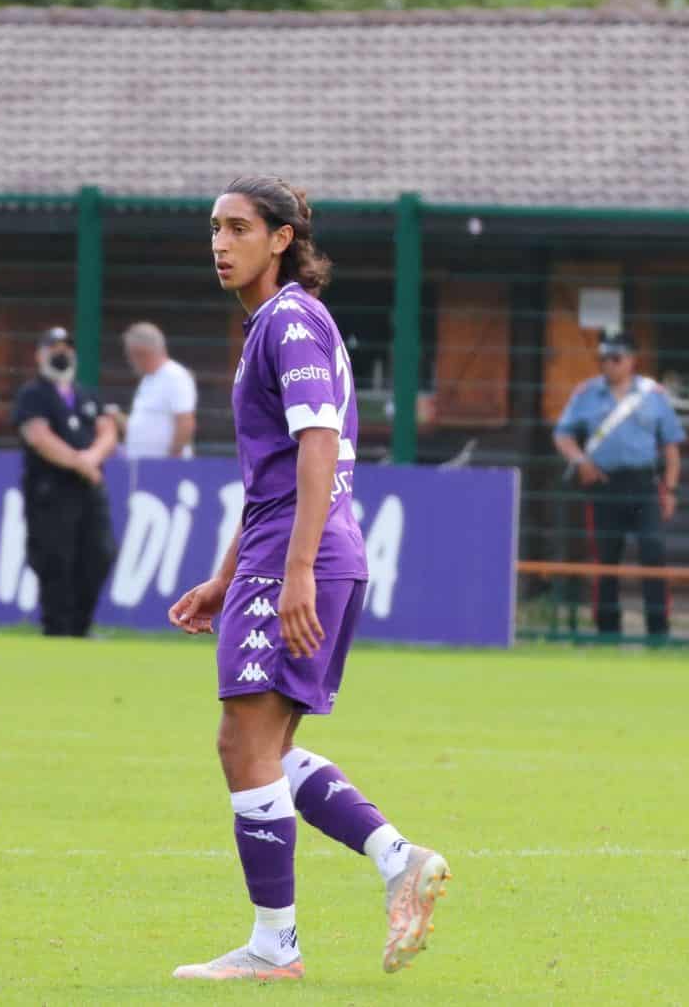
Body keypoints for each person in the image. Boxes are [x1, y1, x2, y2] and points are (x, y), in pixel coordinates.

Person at [167, 176, 449, 983]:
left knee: (241, 741)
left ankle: (275, 946)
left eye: (239, 228)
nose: (221, 243)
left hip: (305, 555)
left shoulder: (288, 320)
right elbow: (277, 477)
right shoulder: (275, 325)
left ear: (281, 239)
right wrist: (228, 575)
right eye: (214, 229)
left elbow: (318, 444)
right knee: (268, 747)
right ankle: (398, 857)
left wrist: (291, 572)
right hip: (292, 551)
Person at [552, 331, 685, 639]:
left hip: (643, 482)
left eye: (616, 358)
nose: (609, 365)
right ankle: (607, 629)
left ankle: (658, 629)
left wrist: (671, 488)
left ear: (631, 360)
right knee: (605, 556)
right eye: (603, 359)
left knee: (653, 551)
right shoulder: (585, 394)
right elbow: (563, 434)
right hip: (604, 483)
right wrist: (580, 461)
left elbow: (671, 446)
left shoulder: (653, 395)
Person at [12, 325, 118, 636]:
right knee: (55, 560)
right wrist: (79, 463)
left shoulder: (86, 394)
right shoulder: (33, 395)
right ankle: (57, 629)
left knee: (99, 554)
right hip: (51, 493)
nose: (62, 354)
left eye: (67, 348)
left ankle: (81, 626)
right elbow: (39, 437)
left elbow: (107, 430)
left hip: (89, 490)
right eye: (54, 348)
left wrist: (92, 458)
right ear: (39, 354)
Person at [121, 320, 198, 459]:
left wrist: (171, 461)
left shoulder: (175, 376)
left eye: (130, 355)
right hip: (146, 467)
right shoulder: (148, 379)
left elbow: (185, 421)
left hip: (164, 469)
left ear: (141, 352)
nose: (130, 361)